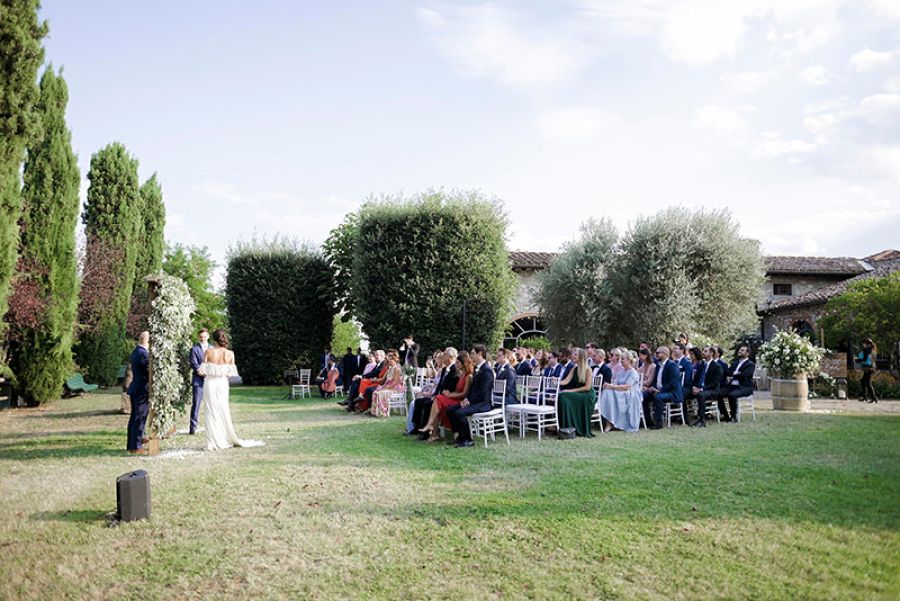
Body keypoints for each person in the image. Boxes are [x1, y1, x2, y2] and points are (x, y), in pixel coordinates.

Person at [202, 329, 264, 451]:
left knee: (210, 411)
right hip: (222, 383)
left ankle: (213, 442)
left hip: (210, 383)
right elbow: (231, 374)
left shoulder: (208, 352)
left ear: (214, 339)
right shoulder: (230, 354)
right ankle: (224, 437)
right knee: (223, 410)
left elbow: (203, 370)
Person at [447, 345, 495, 448]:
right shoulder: (477, 369)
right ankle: (460, 436)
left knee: (460, 413)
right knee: (450, 409)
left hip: (483, 403)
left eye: (473, 353)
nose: (471, 356)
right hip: (474, 401)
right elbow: (472, 389)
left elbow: (483, 392)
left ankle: (468, 439)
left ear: (480, 354)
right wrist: (466, 399)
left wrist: (469, 401)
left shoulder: (487, 371)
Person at [420, 351, 472, 441]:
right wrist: (449, 394)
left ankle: (430, 426)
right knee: (438, 400)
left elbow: (464, 393)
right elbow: (456, 391)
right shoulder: (461, 374)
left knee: (438, 399)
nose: (456, 364)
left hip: (460, 400)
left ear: (464, 364)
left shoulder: (468, 376)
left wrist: (450, 395)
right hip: (454, 397)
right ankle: (433, 431)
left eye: (458, 363)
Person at [411, 348, 459, 438]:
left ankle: (426, 433)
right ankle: (416, 427)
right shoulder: (445, 369)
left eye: (444, 355)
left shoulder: (455, 370)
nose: (443, 357)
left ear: (450, 357)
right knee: (418, 401)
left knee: (427, 404)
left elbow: (451, 388)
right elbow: (440, 385)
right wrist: (434, 395)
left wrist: (438, 396)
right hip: (438, 395)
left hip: (447, 397)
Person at [555, 347, 595, 437]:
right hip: (577, 394)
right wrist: (556, 381)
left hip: (586, 395)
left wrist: (570, 391)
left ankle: (571, 425)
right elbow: (566, 381)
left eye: (575, 355)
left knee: (564, 395)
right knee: (562, 396)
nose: (573, 356)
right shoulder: (574, 369)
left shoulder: (588, 370)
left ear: (581, 357)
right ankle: (565, 425)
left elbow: (587, 387)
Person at [599, 350, 642, 432]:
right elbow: (615, 383)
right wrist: (609, 386)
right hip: (620, 392)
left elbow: (627, 387)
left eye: (623, 359)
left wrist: (611, 386)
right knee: (607, 392)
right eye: (621, 359)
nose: (621, 361)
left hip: (631, 393)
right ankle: (609, 422)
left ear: (629, 360)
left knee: (610, 393)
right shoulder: (620, 371)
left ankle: (611, 422)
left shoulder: (633, 373)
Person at [642, 346, 683, 429]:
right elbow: (655, 379)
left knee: (658, 397)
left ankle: (658, 423)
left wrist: (660, 390)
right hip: (659, 390)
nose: (655, 355)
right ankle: (648, 421)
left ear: (665, 354)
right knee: (643, 396)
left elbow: (673, 383)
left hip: (672, 392)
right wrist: (652, 387)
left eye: (658, 353)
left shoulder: (672, 365)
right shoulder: (658, 365)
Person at [126, 331, 151, 455]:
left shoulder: (137, 351)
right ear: (147, 341)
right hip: (141, 389)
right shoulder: (143, 354)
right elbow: (149, 371)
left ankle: (133, 443)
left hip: (136, 388)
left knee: (135, 417)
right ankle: (136, 446)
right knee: (139, 417)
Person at [719, 345, 755, 422]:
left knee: (732, 395)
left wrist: (735, 374)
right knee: (718, 393)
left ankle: (733, 416)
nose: (739, 351)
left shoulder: (750, 364)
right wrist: (736, 373)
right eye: (739, 350)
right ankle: (725, 415)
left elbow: (745, 375)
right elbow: (727, 372)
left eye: (742, 350)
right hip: (732, 385)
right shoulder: (735, 363)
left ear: (747, 353)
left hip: (744, 386)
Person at [691, 346, 723, 427]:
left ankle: (702, 420)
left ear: (711, 353)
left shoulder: (717, 367)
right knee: (684, 393)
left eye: (705, 351)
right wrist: (694, 387)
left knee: (701, 395)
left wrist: (701, 389)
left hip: (712, 390)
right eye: (703, 351)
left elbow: (715, 383)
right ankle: (683, 418)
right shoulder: (702, 365)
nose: (703, 353)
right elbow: (696, 378)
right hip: (699, 388)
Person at [188, 328, 209, 435]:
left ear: (208, 336)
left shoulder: (212, 348)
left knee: (211, 404)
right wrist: (201, 372)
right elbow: (193, 363)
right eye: (201, 337)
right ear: (198, 337)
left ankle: (211, 426)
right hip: (198, 380)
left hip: (211, 380)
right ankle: (192, 428)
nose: (202, 338)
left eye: (204, 337)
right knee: (196, 404)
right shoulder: (194, 349)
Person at [372, 350, 404, 417]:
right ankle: (375, 412)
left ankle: (383, 412)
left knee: (381, 393)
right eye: (389, 359)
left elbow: (395, 382)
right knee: (375, 392)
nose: (389, 361)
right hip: (389, 386)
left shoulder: (396, 369)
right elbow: (383, 379)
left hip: (395, 388)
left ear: (395, 360)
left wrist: (385, 388)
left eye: (391, 359)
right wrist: (383, 386)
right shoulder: (390, 368)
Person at [855, 338, 878, 403]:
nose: (863, 344)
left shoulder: (866, 350)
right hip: (871, 368)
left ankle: (873, 398)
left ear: (867, 344)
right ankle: (864, 396)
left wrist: (857, 360)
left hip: (867, 368)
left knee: (868, 383)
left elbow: (864, 359)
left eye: (864, 343)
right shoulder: (872, 350)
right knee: (863, 381)